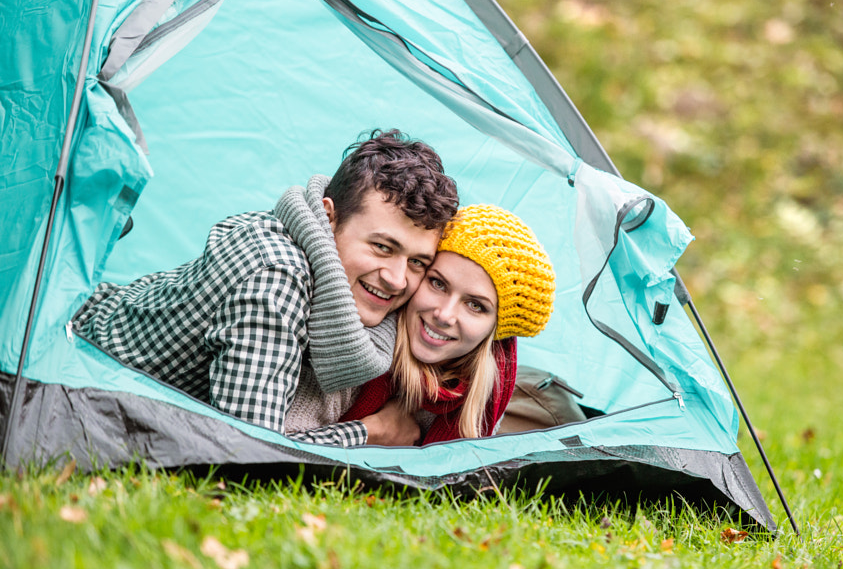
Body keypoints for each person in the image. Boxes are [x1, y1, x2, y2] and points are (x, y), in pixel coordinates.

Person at [73, 129, 458, 445]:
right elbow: (249, 450)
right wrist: (370, 432)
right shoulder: (276, 278)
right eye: (381, 247)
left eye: (417, 262)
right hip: (79, 366)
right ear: (328, 216)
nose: (396, 278)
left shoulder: (318, 253)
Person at [286, 203, 557, 446]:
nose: (444, 315)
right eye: (437, 283)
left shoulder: (487, 385)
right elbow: (271, 450)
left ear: (495, 332)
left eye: (476, 305)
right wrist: (370, 432)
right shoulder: (355, 349)